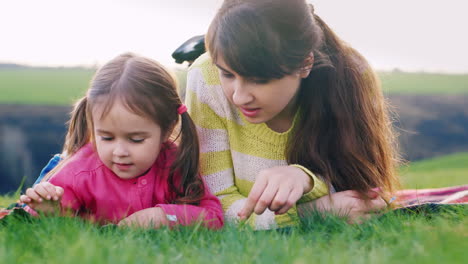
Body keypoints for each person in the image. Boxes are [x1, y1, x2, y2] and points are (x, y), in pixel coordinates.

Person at [185, 0, 400, 230]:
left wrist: (305, 179)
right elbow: (214, 206)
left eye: (260, 80)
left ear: (305, 64)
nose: (239, 97)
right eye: (227, 74)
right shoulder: (205, 76)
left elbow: (367, 197)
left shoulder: (350, 74)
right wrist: (310, 212)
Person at [19, 53, 223, 229]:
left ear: (167, 129)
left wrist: (163, 216)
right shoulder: (78, 173)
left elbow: (213, 217)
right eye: (106, 137)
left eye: (136, 140)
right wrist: (50, 211)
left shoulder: (176, 164)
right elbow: (41, 224)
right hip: (63, 168)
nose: (119, 151)